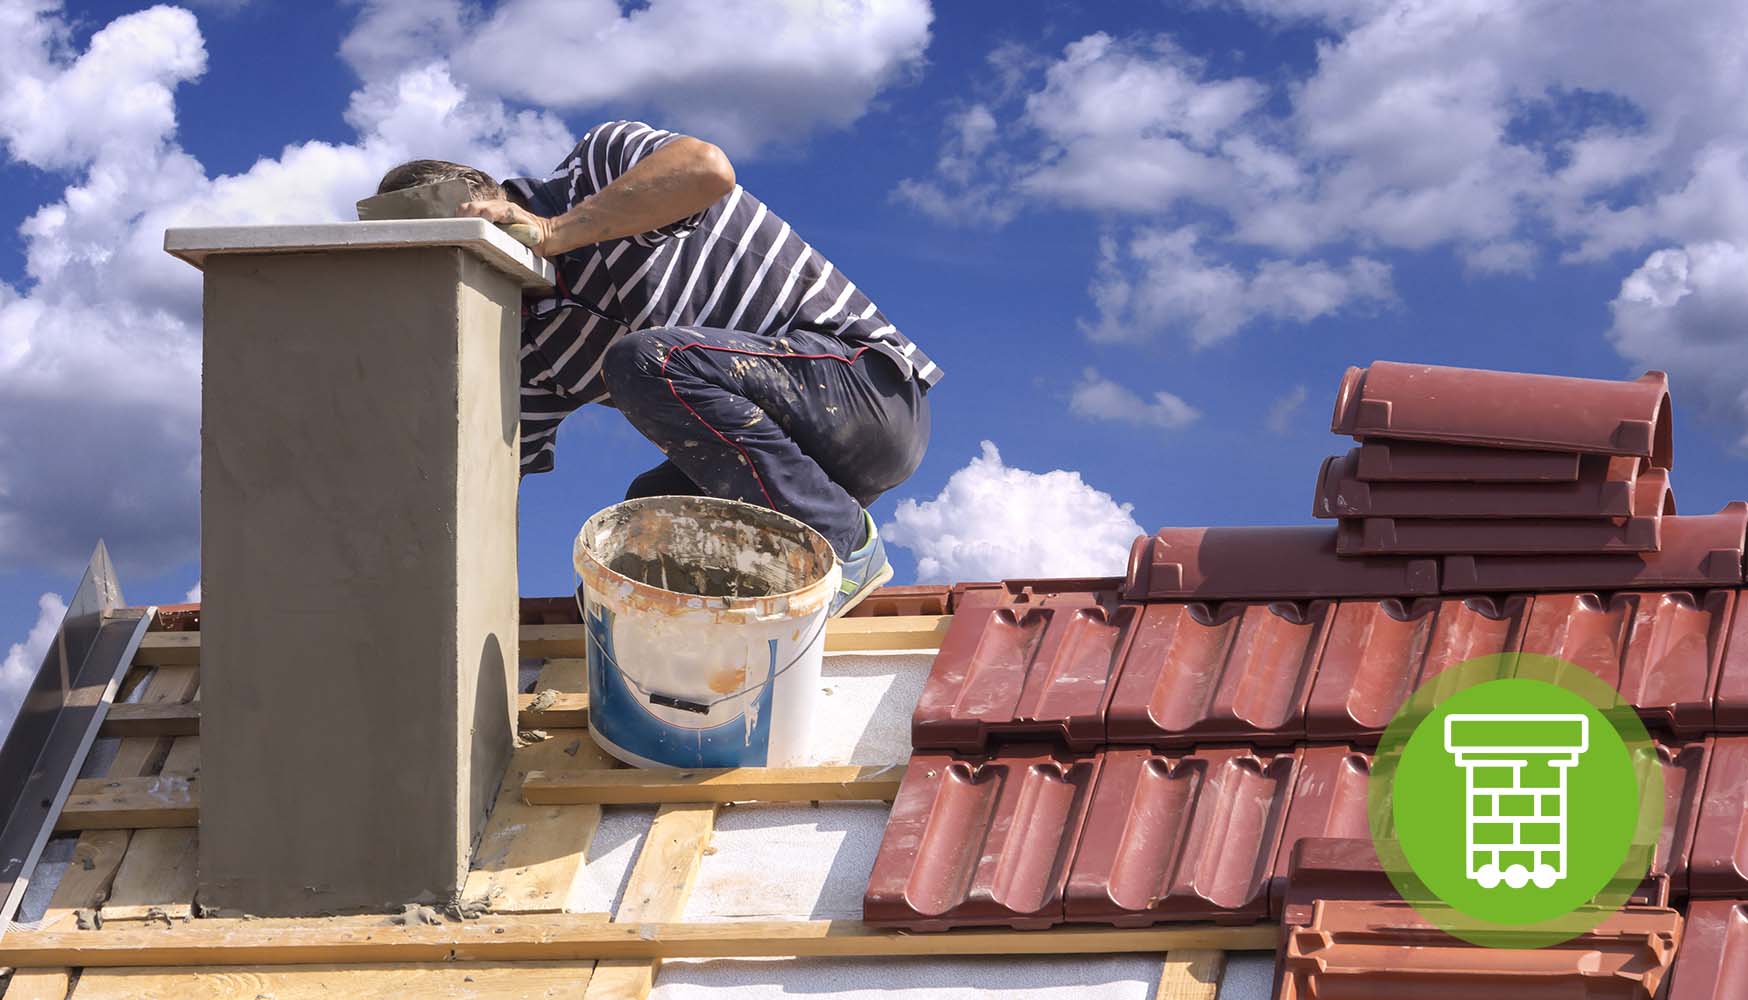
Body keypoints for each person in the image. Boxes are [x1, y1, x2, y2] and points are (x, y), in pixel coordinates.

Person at [374, 121, 938, 615]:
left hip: (866, 394)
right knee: (639, 548)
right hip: (797, 467)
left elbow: (706, 170)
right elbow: (485, 489)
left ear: (491, 206)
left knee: (644, 360)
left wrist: (552, 233)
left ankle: (843, 544)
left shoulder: (596, 170)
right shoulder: (527, 351)